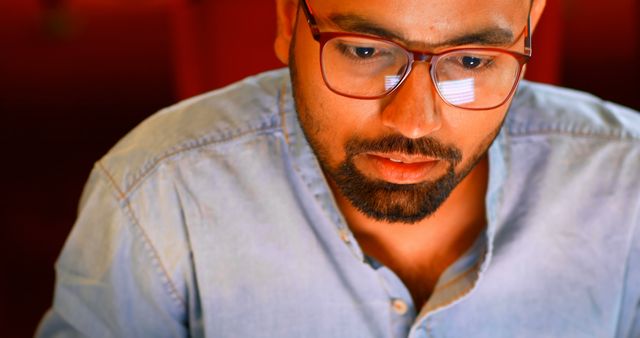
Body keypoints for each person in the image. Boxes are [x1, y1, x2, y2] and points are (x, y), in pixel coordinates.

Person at [37, 0, 640, 336]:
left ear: (529, 30)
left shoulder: (627, 187)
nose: (413, 121)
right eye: (364, 51)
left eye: (473, 59)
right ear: (285, 23)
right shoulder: (161, 192)